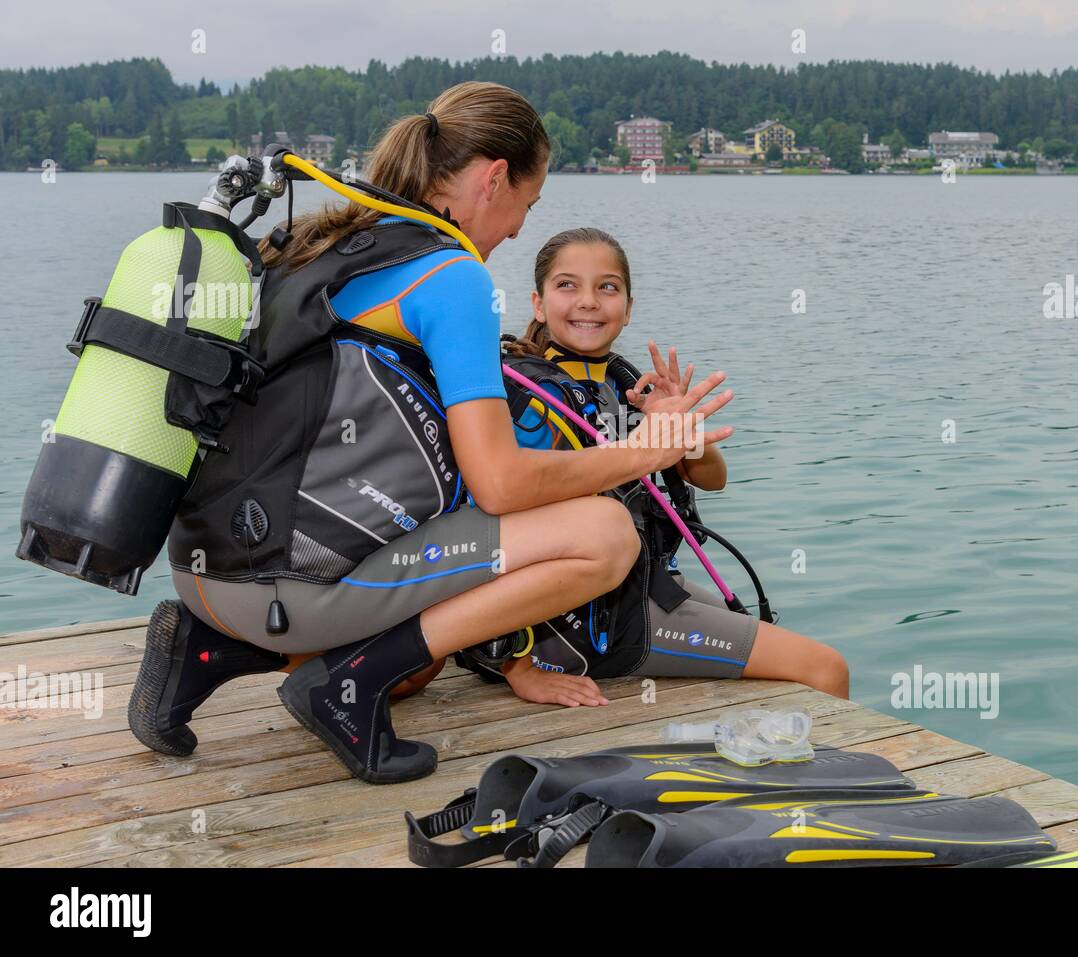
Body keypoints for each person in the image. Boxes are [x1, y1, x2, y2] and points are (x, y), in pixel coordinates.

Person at [129, 82, 733, 784]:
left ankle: (205, 649)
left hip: (205, 575)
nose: (514, 231)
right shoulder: (451, 276)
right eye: (526, 208)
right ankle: (347, 684)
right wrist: (644, 451)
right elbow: (501, 482)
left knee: (429, 660)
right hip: (285, 585)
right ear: (494, 178)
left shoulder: (323, 242)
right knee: (607, 535)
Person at [473, 227, 849, 705]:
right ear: (539, 304)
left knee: (771, 650)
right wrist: (517, 667)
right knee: (825, 668)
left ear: (628, 308)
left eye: (607, 287)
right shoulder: (530, 399)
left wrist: (679, 426)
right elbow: (497, 532)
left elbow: (713, 479)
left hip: (644, 587)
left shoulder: (621, 385)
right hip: (581, 628)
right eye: (567, 285)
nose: (588, 301)